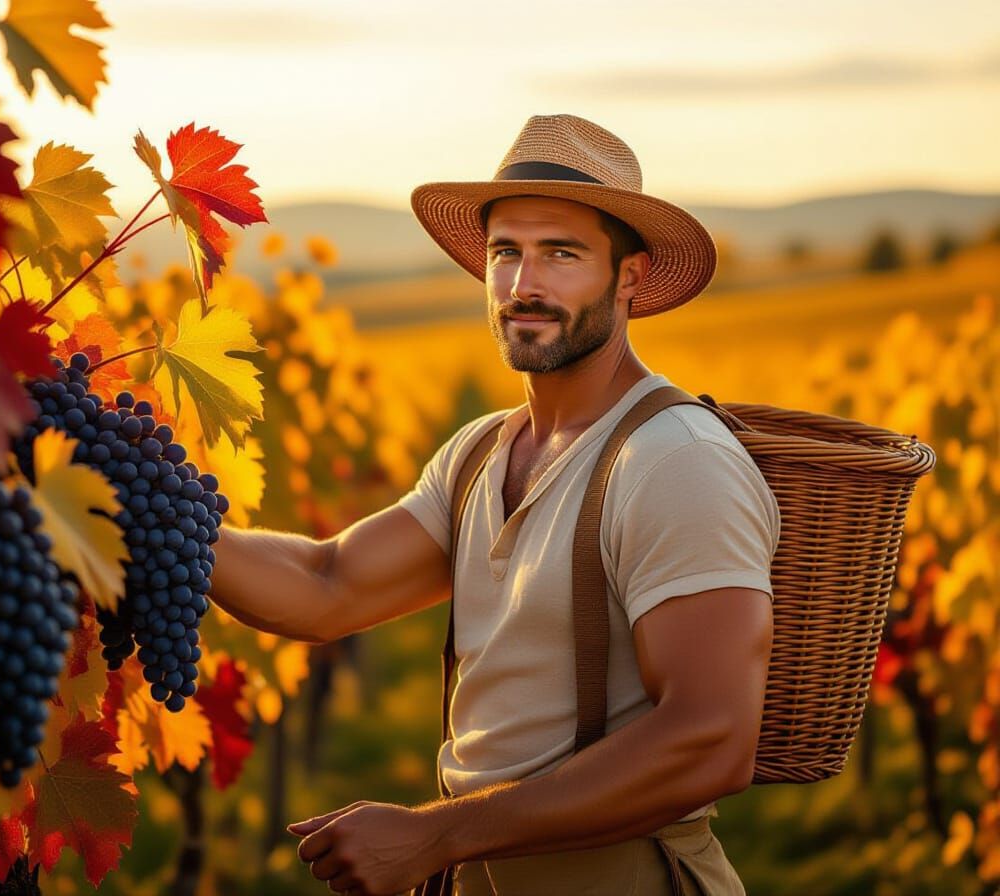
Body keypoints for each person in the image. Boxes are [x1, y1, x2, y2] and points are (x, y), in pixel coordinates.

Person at [208, 113, 780, 896]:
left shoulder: (674, 460)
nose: (523, 284)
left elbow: (712, 740)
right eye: (505, 252)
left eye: (562, 254)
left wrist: (432, 834)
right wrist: (151, 507)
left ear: (631, 277)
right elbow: (327, 584)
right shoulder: (481, 451)